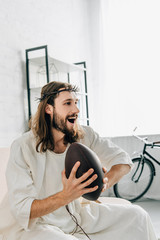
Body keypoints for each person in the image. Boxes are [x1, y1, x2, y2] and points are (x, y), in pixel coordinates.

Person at [0, 81, 157, 240]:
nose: (76, 109)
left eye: (76, 102)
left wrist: (105, 181)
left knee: (138, 216)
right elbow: (23, 209)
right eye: (68, 103)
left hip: (75, 214)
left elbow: (123, 161)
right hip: (36, 224)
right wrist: (66, 195)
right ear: (49, 109)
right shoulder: (22, 147)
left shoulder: (85, 135)